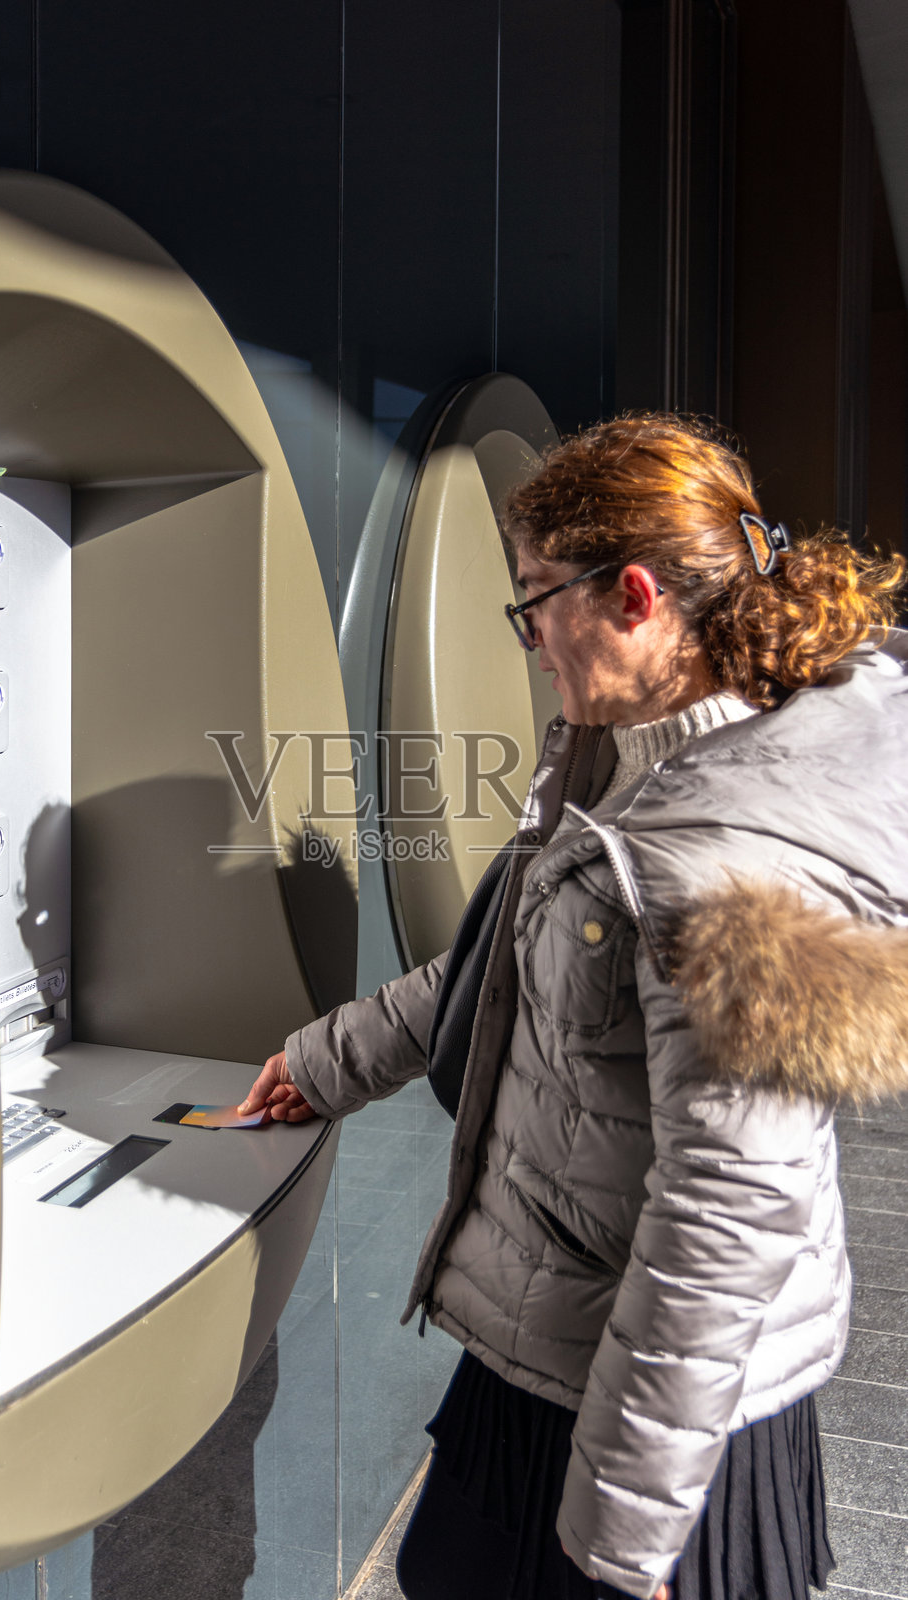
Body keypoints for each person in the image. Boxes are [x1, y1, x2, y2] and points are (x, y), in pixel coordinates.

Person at [241, 413, 908, 1600]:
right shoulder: (642, 758)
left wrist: (626, 1526)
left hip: (652, 1410)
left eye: (537, 598)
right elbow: (513, 965)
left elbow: (731, 1208)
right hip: (566, 1344)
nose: (532, 638)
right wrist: (328, 1060)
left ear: (634, 594)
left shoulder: (725, 858)